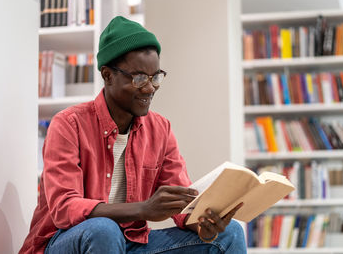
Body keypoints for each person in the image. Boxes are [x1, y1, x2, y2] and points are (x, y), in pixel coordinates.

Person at [19, 16, 246, 254]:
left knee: (229, 235)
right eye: (139, 79)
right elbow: (65, 209)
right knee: (103, 230)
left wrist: (204, 225)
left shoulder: (160, 129)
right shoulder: (68, 124)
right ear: (107, 75)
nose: (149, 88)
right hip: (63, 242)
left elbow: (182, 207)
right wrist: (143, 209)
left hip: (130, 244)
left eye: (155, 77)